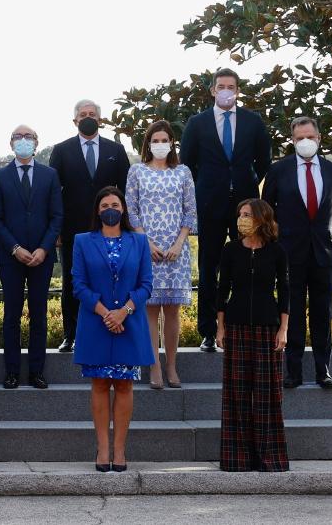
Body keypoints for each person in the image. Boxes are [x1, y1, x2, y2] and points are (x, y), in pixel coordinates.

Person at [180, 68, 272, 352]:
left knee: (248, 264)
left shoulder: (253, 121)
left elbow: (264, 161)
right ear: (212, 90)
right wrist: (209, 187)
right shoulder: (197, 123)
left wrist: (247, 184)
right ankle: (208, 332)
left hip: (246, 206)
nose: (226, 91)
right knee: (209, 267)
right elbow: (187, 164)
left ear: (238, 91)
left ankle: (243, 327)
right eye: (221, 86)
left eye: (231, 86)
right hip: (210, 205)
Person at [72, 186, 153, 472]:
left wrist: (123, 312)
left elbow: (146, 285)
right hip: (96, 323)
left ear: (124, 209)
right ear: (97, 210)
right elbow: (78, 284)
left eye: (115, 205)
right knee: (99, 384)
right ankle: (102, 449)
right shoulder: (82, 241)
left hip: (129, 324)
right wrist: (106, 313)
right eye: (105, 205)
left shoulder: (139, 241)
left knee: (124, 385)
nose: (110, 209)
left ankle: (119, 450)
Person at [262, 116, 332, 389]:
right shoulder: (278, 170)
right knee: (293, 312)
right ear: (292, 140)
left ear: (319, 138)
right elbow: (267, 209)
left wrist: (322, 233)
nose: (305, 142)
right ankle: (293, 372)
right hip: (289, 252)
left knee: (323, 313)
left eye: (310, 137)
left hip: (324, 253)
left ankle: (323, 371)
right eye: (300, 138)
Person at [48, 99, 131, 353]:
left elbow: (126, 192)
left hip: (110, 228)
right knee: (73, 281)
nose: (88, 118)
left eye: (92, 114)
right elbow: (53, 193)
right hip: (72, 230)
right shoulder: (61, 150)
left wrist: (124, 226)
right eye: (83, 114)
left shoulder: (116, 150)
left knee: (108, 279)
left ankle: (107, 328)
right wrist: (56, 229)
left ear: (99, 119)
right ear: (75, 120)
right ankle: (71, 335)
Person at [216, 198, 291, 472]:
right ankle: (237, 458)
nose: (242, 219)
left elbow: (285, 291)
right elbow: (222, 289)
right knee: (236, 394)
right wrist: (220, 327)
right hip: (236, 327)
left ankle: (268, 457)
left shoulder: (277, 251)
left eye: (247, 214)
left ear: (261, 218)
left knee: (266, 394)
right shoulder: (230, 250)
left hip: (267, 327)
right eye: (240, 214)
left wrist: (283, 329)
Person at [0, 124, 62, 389]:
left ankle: (36, 372)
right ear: (10, 143)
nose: (23, 140)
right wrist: (15, 248)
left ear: (36, 142)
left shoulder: (50, 175)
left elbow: (57, 216)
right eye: (18, 137)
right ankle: (12, 372)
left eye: (28, 136)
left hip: (42, 256)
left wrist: (44, 248)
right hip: (11, 257)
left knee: (39, 314)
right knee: (11, 315)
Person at [124, 119, 196, 389]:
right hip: (147, 249)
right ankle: (154, 366)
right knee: (150, 310)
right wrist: (146, 242)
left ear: (172, 143)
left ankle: (171, 366)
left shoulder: (183, 172)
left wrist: (179, 243)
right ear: (148, 144)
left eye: (165, 140)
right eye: (155, 140)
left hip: (176, 250)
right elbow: (131, 210)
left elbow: (190, 210)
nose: (160, 145)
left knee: (173, 311)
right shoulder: (137, 171)